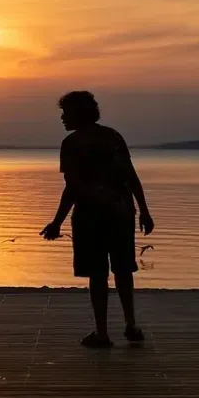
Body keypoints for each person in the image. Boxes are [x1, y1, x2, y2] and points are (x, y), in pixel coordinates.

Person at [40, 91, 154, 348]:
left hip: (91, 217)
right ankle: (130, 325)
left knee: (97, 274)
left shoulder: (72, 143)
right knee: (124, 270)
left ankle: (102, 333)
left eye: (65, 113)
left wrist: (57, 222)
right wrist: (144, 211)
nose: (62, 118)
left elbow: (72, 188)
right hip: (122, 213)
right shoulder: (112, 137)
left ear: (78, 113)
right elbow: (131, 176)